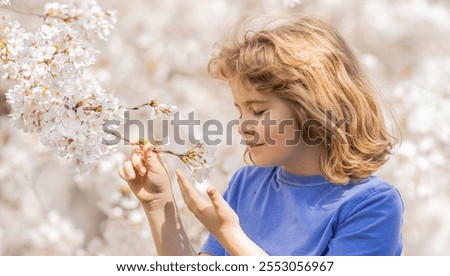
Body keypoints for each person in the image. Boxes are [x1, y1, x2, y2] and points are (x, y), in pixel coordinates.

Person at [118, 16, 403, 256]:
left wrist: (230, 235)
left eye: (257, 110)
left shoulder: (371, 204)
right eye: (240, 111)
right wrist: (158, 204)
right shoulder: (247, 184)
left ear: (313, 110)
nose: (242, 125)